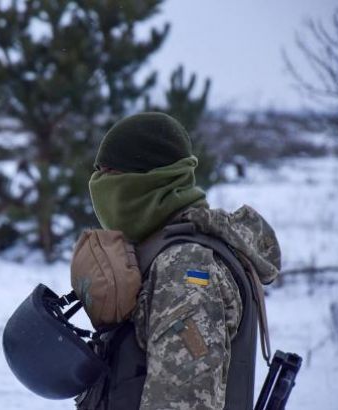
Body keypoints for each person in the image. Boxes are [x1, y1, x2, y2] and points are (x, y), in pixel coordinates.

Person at [78, 112, 280, 410]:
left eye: (110, 173)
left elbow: (182, 400)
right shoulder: (159, 249)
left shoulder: (185, 267)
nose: (99, 185)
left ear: (148, 179)